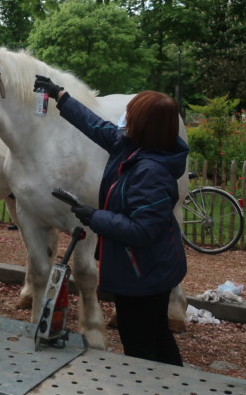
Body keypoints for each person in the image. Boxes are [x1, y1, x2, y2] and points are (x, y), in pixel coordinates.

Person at [34, 76, 187, 367]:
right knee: (157, 334)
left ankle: (151, 386)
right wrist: (61, 96)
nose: (123, 118)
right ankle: (173, 382)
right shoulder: (132, 147)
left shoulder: (149, 173)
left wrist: (94, 216)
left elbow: (143, 231)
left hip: (144, 274)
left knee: (140, 344)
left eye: (131, 114)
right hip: (147, 268)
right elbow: (96, 126)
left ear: (145, 124)